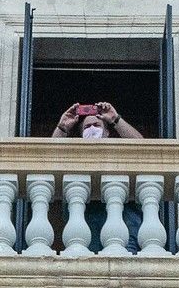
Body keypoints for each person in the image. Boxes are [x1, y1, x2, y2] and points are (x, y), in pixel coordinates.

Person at [50, 101, 146, 253]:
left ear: (107, 132)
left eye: (97, 125)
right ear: (82, 135)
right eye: (87, 127)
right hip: (86, 221)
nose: (92, 129)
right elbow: (49, 157)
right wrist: (63, 127)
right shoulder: (73, 157)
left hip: (124, 219)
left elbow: (142, 149)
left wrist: (115, 119)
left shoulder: (120, 154)